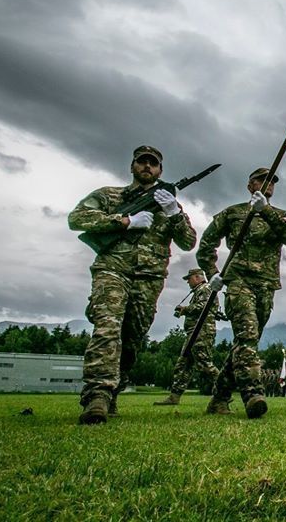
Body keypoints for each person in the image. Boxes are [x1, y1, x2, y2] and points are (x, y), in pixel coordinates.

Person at [69, 146, 197, 424]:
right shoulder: (109, 195)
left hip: (149, 280)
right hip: (112, 270)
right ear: (132, 166)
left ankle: (112, 391)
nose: (147, 167)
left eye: (153, 164)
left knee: (132, 340)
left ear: (160, 170)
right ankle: (97, 397)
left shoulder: (168, 203)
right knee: (107, 328)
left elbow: (188, 242)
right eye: (142, 162)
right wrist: (124, 220)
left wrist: (173, 211)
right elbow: (76, 218)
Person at [198, 167, 286, 418]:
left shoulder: (281, 216)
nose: (268, 184)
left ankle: (219, 398)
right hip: (238, 282)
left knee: (245, 344)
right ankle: (253, 394)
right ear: (250, 185)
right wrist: (213, 273)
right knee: (248, 336)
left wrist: (264, 210)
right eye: (262, 180)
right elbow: (206, 245)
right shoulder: (233, 213)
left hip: (266, 285)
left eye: (272, 181)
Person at [154, 268, 220, 406]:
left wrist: (185, 309)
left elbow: (203, 306)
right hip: (194, 332)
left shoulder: (205, 289)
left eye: (189, 279)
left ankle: (224, 391)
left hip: (202, 331)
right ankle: (174, 396)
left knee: (204, 364)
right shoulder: (200, 290)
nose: (188, 283)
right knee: (183, 365)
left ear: (197, 277)